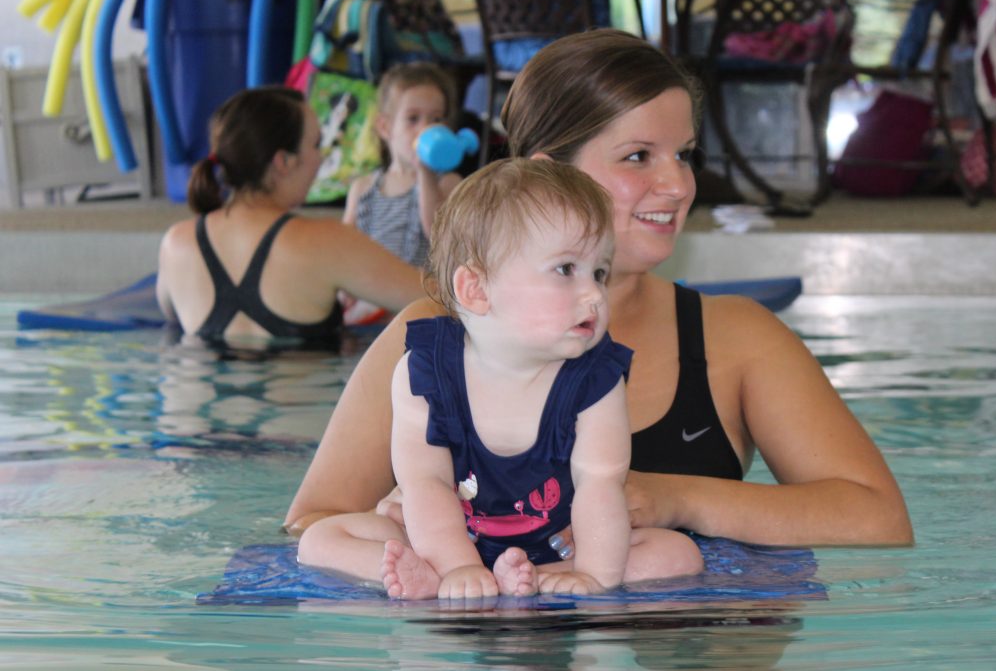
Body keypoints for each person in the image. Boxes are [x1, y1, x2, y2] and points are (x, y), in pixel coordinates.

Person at [285, 29, 911, 554]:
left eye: (684, 154)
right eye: (638, 156)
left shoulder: (734, 338)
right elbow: (310, 526)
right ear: (546, 173)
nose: (677, 185)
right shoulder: (432, 337)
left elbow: (879, 520)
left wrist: (674, 498)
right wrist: (400, 533)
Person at [297, 157, 704, 599]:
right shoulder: (426, 373)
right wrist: (457, 568)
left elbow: (601, 486)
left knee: (677, 553)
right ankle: (431, 577)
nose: (594, 294)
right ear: (476, 289)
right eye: (566, 269)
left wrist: (592, 575)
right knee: (319, 539)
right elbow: (426, 484)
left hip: (555, 547)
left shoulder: (595, 381)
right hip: (445, 539)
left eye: (599, 273)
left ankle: (535, 579)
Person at [156, 86, 425, 346]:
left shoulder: (176, 242)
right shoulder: (326, 242)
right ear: (283, 161)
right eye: (316, 144)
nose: (322, 159)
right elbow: (438, 298)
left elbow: (172, 317)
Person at [342, 63, 461, 267]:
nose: (425, 129)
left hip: (419, 292)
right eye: (413, 119)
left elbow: (438, 235)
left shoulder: (448, 183)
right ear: (385, 127)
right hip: (369, 289)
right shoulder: (362, 187)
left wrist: (425, 172)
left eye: (436, 119)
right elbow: (344, 245)